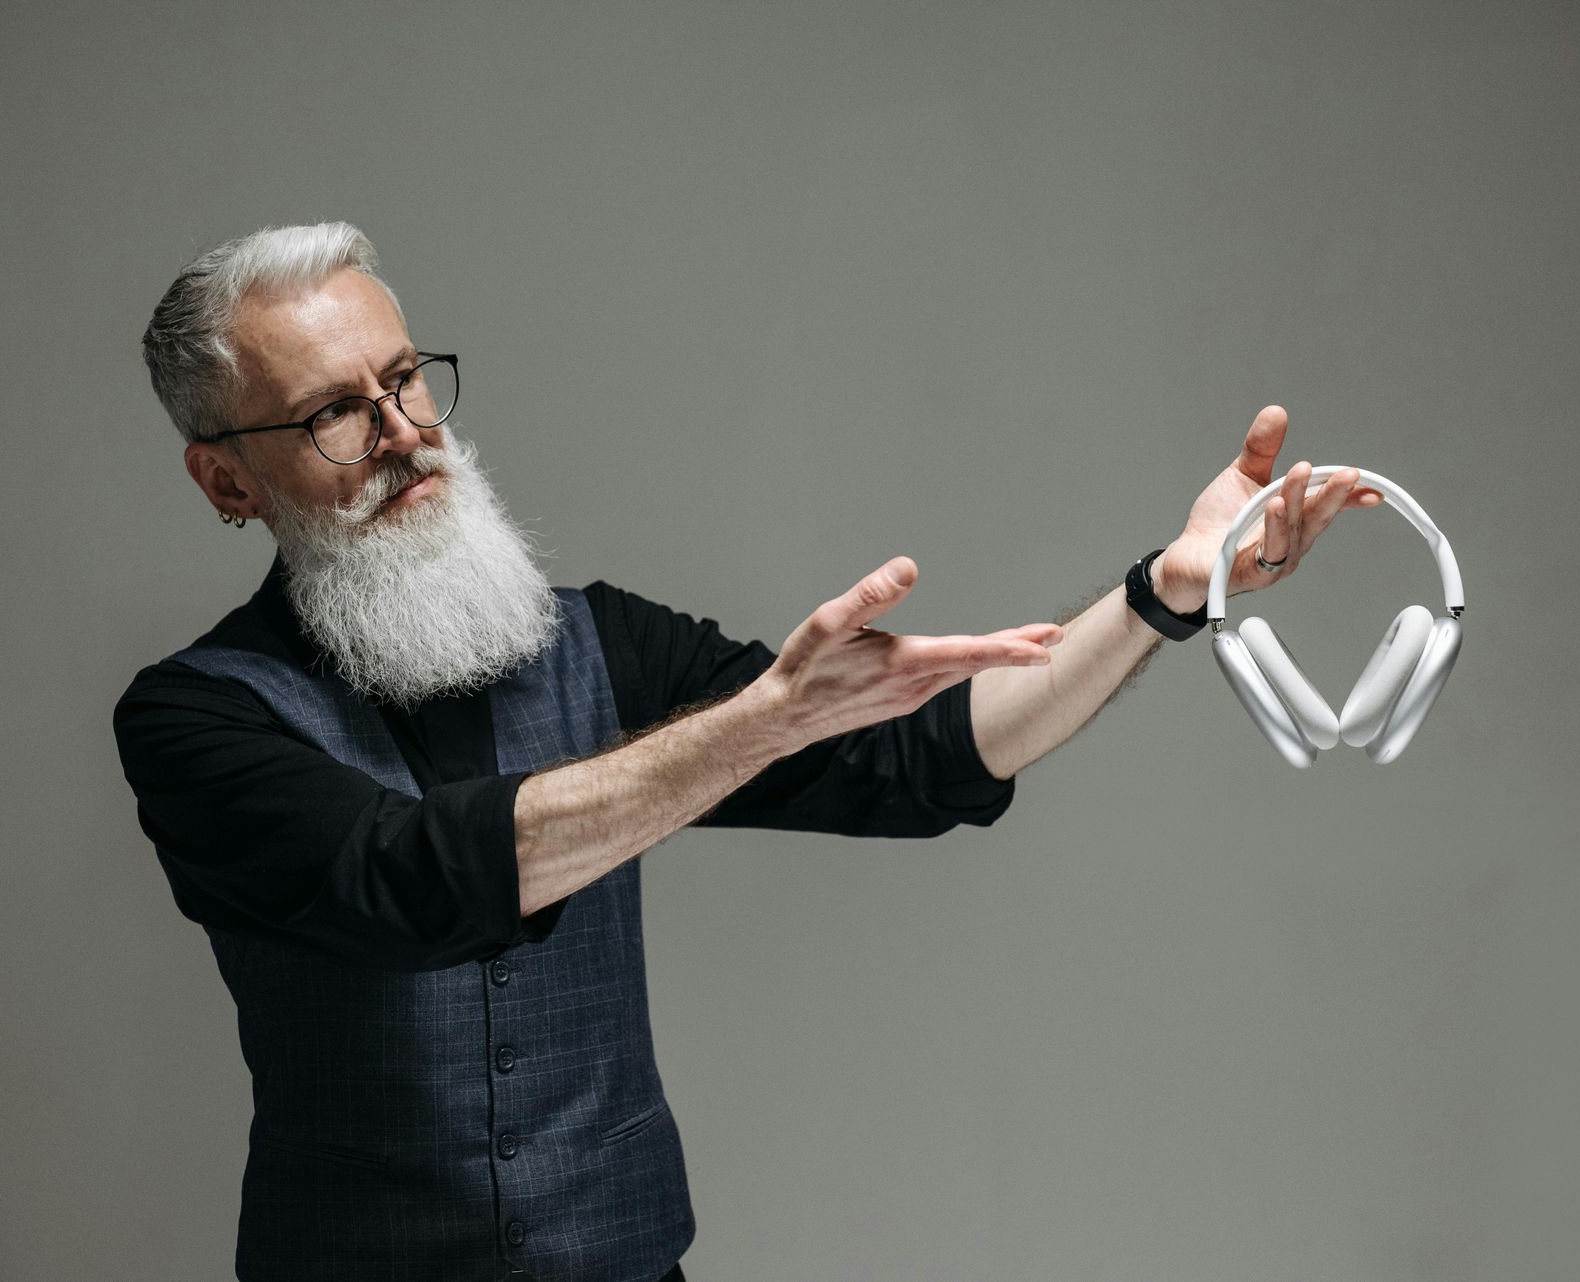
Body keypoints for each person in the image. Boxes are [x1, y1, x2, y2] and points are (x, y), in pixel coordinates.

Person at [114, 222, 1380, 1282]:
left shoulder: (598, 642)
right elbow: (407, 877)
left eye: (407, 378)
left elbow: (919, 761)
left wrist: (1164, 590)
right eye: (338, 412)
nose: (404, 430)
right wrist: (763, 718)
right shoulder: (197, 717)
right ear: (227, 484)